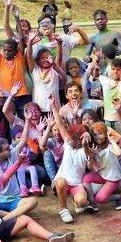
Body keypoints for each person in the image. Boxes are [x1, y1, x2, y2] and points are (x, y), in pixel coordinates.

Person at [49, 94, 90, 223]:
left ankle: (76, 201)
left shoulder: (84, 150)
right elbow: (60, 123)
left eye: (71, 139)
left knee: (82, 202)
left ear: (78, 141)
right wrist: (53, 105)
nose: (67, 139)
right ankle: (64, 209)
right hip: (62, 183)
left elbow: (88, 154)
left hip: (76, 184)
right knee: (60, 181)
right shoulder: (67, 144)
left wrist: (85, 143)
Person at [0, 137, 38, 221]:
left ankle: (3, 219)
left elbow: (23, 141)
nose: (10, 149)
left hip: (14, 199)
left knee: (33, 201)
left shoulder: (11, 157)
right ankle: (12, 215)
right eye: (7, 149)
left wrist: (27, 122)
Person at [83, 122, 121, 211]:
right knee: (86, 178)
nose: (97, 137)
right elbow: (93, 168)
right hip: (102, 175)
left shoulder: (110, 147)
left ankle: (120, 197)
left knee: (100, 199)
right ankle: (92, 203)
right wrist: (91, 155)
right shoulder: (94, 149)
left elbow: (119, 153)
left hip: (113, 178)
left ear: (105, 134)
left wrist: (112, 141)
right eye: (95, 135)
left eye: (100, 134)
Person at [26, 29, 66, 114]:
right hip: (39, 109)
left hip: (55, 109)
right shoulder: (35, 69)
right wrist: (30, 41)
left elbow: (59, 56)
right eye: (42, 58)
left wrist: (59, 44)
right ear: (37, 61)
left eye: (48, 56)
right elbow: (29, 56)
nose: (45, 59)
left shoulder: (55, 69)